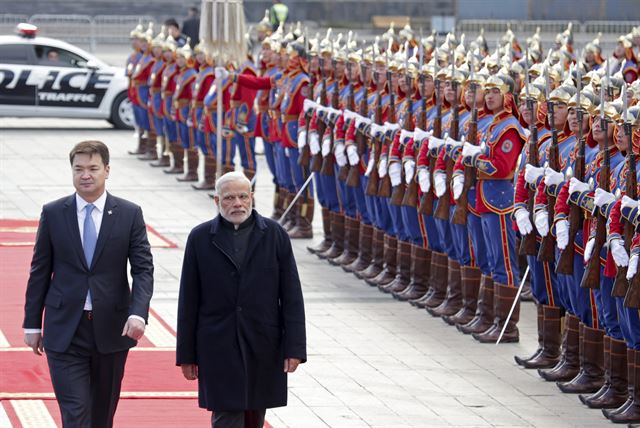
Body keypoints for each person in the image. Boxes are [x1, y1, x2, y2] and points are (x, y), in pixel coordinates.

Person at [22, 140, 154, 427]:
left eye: (93, 168)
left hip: (111, 327)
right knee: (76, 412)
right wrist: (32, 323)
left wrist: (138, 312)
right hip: (65, 328)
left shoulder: (129, 213)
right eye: (78, 168)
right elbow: (40, 270)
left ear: (107, 170)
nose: (85, 175)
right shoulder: (54, 212)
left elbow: (143, 269)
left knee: (101, 415)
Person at [176, 171, 307, 428]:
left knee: (255, 416)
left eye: (243, 197)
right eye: (229, 198)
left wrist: (295, 348)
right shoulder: (200, 238)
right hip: (217, 343)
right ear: (217, 201)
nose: (237, 203)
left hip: (263, 340)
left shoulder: (274, 234)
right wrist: (186, 355)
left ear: (252, 197)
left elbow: (291, 295)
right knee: (226, 415)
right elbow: (188, 301)